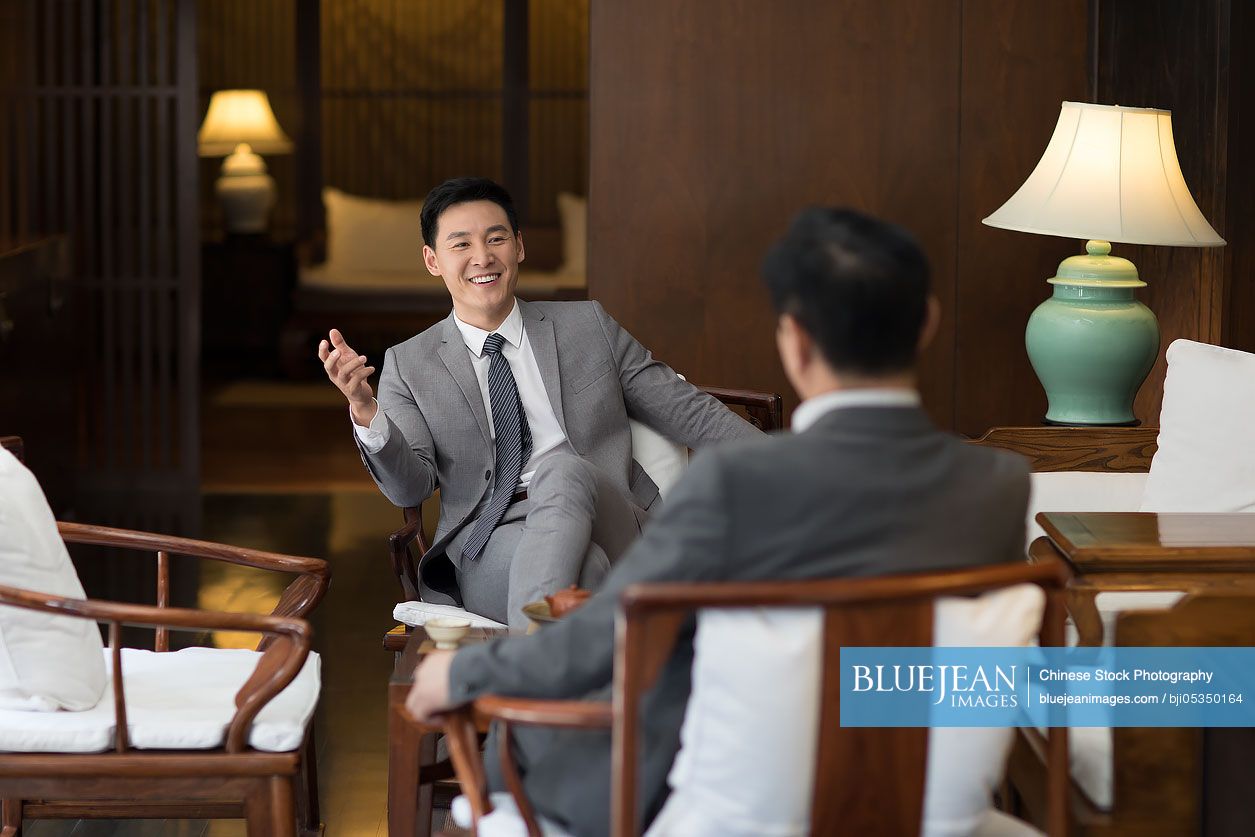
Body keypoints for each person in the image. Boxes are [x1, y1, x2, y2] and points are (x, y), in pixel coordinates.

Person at [405, 207, 1032, 836]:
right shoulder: (999, 485)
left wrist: (461, 671)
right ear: (927, 323)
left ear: (795, 340)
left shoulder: (733, 486)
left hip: (739, 809)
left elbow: (606, 637)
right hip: (924, 806)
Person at [319, 177, 758, 629]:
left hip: (611, 517)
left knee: (561, 470)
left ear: (519, 247)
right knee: (584, 575)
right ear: (433, 260)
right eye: (461, 244)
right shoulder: (409, 363)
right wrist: (366, 412)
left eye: (496, 238)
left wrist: (795, 464)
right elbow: (409, 488)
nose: (482, 258)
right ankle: (553, 675)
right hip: (492, 542)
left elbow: (687, 410)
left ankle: (520, 681)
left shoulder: (588, 327)